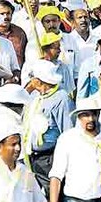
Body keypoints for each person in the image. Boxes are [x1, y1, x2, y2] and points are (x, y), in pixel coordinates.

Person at [21, 59, 73, 193]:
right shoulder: (37, 97)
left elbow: (67, 131)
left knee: (53, 195)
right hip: (32, 157)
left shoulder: (61, 98)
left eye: (32, 77)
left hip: (49, 157)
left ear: (38, 81)